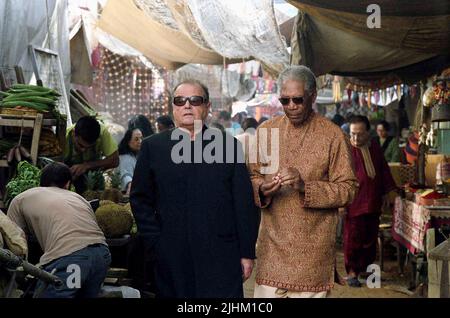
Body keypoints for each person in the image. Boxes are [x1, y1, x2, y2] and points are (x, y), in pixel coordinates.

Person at [130, 79, 258, 298]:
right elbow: (140, 198)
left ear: (207, 106)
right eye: (180, 100)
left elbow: (243, 202)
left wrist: (247, 253)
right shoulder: (153, 147)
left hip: (221, 255)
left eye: (195, 100)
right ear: (173, 107)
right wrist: (156, 242)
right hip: (172, 255)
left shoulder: (228, 146)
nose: (187, 105)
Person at [248, 65, 358, 298]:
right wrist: (261, 188)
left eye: (297, 99)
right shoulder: (267, 131)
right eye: (284, 100)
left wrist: (304, 187)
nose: (291, 107)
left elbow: (348, 189)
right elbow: (252, 176)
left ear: (313, 96)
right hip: (272, 250)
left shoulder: (333, 135)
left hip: (313, 255)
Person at [7, 162, 111, 298]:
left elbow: (14, 241)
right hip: (102, 255)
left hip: (71, 257)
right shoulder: (80, 198)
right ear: (67, 184)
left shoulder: (21, 198)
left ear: (41, 182)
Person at [344, 115, 397, 287]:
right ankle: (352, 272)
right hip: (354, 202)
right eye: (353, 134)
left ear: (368, 133)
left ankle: (367, 270)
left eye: (360, 134)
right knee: (353, 238)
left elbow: (383, 170)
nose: (356, 138)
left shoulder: (374, 147)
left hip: (373, 200)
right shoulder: (345, 149)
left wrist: (390, 192)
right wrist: (340, 204)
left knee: (370, 238)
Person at [64, 116, 119, 194]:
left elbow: (115, 160)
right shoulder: (64, 137)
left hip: (93, 183)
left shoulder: (102, 132)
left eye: (89, 147)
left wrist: (87, 166)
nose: (83, 150)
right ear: (73, 133)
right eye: (80, 145)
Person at [118, 128, 143, 195]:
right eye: (136, 139)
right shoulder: (125, 158)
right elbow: (126, 174)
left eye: (141, 138)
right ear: (128, 141)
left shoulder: (135, 155)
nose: (140, 141)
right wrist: (129, 184)